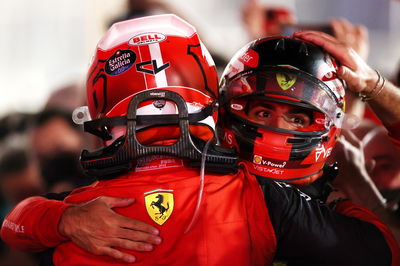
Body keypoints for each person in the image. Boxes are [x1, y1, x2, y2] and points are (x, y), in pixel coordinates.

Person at [2, 16, 399, 265]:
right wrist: (352, 184)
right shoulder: (257, 197)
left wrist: (61, 218)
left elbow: (15, 223)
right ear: (220, 108)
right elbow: (385, 251)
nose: (277, 130)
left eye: (298, 117)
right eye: (262, 112)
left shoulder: (85, 206)